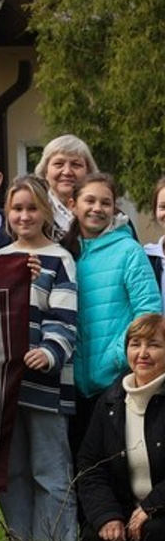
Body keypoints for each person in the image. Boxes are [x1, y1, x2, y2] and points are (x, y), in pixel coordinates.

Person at [0, 176, 78, 541]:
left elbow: (64, 317)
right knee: (11, 475)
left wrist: (49, 351)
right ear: (7, 214)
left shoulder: (60, 258)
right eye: (17, 208)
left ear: (45, 211)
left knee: (50, 473)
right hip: (6, 388)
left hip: (47, 385)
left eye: (32, 208)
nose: (24, 215)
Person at [61, 172, 159, 450]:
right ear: (72, 205)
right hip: (73, 384)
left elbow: (149, 312)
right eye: (89, 200)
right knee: (80, 466)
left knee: (114, 467)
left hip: (115, 380)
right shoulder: (64, 253)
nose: (97, 208)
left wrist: (118, 356)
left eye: (106, 203)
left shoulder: (129, 251)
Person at [76, 312, 165, 541]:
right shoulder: (110, 401)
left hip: (158, 512)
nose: (143, 353)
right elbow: (91, 466)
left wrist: (151, 506)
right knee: (96, 536)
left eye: (155, 345)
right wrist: (107, 515)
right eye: (135, 344)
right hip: (128, 508)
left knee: (156, 531)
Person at [34, 135, 97, 236]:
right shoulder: (32, 210)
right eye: (59, 164)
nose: (67, 172)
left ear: (88, 172)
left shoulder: (106, 214)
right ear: (45, 171)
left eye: (76, 165)